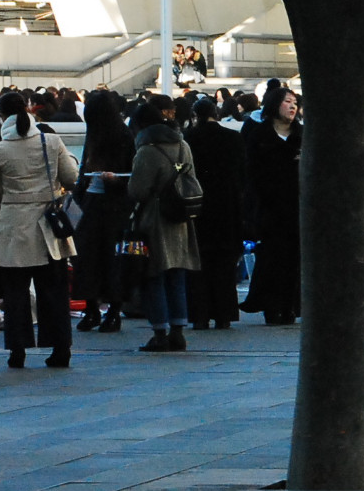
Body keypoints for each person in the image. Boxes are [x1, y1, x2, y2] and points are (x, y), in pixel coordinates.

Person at [0, 91, 77, 369]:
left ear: (1, 116)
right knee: (54, 291)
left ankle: (17, 351)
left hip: (13, 227)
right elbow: (71, 178)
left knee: (15, 293)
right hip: (47, 227)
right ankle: (60, 349)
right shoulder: (51, 141)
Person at [127, 100, 204, 353]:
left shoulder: (147, 151)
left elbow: (137, 190)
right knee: (177, 275)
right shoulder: (184, 145)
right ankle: (179, 331)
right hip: (181, 219)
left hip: (155, 219)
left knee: (155, 275)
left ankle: (160, 333)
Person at [185, 98, 249, 329]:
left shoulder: (189, 139)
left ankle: (200, 314)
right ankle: (224, 313)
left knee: (198, 264)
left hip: (197, 208)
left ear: (195, 115)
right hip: (227, 207)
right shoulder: (233, 138)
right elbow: (243, 174)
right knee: (224, 264)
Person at [74, 89, 134, 333]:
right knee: (105, 258)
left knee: (94, 257)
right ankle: (106, 310)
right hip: (109, 204)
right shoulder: (122, 135)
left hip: (102, 203)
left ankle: (97, 309)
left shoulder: (109, 136)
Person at [242, 85, 302, 324]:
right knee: (271, 258)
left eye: (295, 102)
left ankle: (290, 306)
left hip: (296, 207)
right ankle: (271, 305)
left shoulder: (302, 135)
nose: (293, 106)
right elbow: (251, 173)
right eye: (288, 101)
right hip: (268, 207)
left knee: (293, 260)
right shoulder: (259, 135)